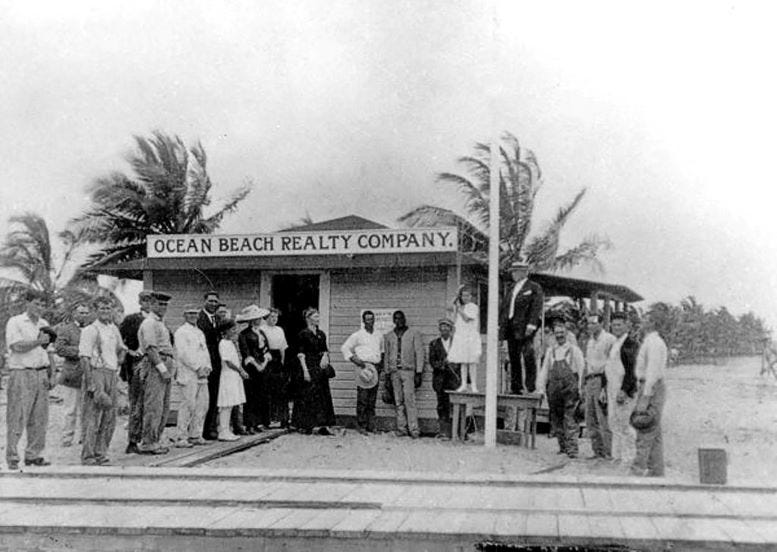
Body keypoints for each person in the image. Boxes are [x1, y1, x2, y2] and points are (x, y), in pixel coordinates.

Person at [5, 289, 55, 469]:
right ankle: (12, 456)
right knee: (17, 416)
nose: (39, 307)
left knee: (40, 418)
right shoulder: (16, 322)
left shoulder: (44, 323)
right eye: (36, 303)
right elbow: (17, 346)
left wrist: (52, 373)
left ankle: (33, 455)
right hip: (21, 373)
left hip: (41, 372)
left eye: (43, 304)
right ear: (28, 303)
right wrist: (37, 341)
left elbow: (48, 351)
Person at [79, 297, 127, 465]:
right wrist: (91, 382)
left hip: (112, 373)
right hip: (96, 372)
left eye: (108, 308)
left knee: (110, 417)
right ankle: (88, 455)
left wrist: (119, 359)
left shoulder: (113, 328)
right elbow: (84, 358)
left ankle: (101, 452)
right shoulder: (90, 330)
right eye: (102, 309)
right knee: (93, 417)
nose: (105, 312)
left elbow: (122, 349)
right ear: (95, 311)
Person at [536, 317, 585, 458]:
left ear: (567, 333)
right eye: (557, 333)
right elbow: (545, 370)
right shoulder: (551, 351)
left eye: (562, 332)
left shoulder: (574, 350)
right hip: (554, 389)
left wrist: (581, 388)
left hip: (570, 389)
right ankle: (562, 447)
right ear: (554, 334)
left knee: (570, 419)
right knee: (556, 419)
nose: (559, 335)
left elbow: (582, 370)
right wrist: (540, 388)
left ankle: (572, 450)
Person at [631, 310, 668, 477]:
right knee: (655, 431)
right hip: (651, 386)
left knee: (644, 428)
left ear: (652, 322)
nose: (642, 320)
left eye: (645, 318)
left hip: (650, 387)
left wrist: (645, 396)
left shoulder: (654, 343)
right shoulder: (651, 341)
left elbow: (652, 370)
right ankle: (656, 470)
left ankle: (637, 470)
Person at [137, 291, 175, 454]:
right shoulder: (149, 323)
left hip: (166, 361)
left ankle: (156, 440)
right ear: (151, 305)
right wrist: (162, 369)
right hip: (156, 365)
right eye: (160, 304)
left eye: (165, 304)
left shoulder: (161, 323)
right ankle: (148, 442)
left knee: (163, 406)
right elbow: (151, 349)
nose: (163, 307)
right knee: (154, 406)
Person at [500, 258, 544, 394]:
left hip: (525, 327)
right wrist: (501, 325)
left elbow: (536, 307)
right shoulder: (511, 288)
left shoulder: (533, 287)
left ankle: (530, 386)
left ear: (523, 272)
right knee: (514, 357)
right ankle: (516, 386)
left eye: (515, 271)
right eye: (512, 272)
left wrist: (532, 324)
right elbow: (505, 308)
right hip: (511, 327)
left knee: (528, 355)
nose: (513, 274)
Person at [291, 307, 336, 435]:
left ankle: (324, 425)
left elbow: (325, 349)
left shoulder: (321, 333)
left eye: (318, 316)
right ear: (308, 318)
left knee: (323, 395)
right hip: (308, 366)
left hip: (320, 367)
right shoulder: (303, 334)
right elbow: (301, 354)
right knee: (308, 395)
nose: (318, 319)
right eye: (315, 317)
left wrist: (325, 358)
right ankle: (306, 425)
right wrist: (305, 371)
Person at [173, 304, 212, 447]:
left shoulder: (199, 332)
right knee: (188, 404)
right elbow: (183, 354)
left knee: (202, 404)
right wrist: (197, 367)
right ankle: (181, 437)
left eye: (195, 313)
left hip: (202, 374)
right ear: (184, 315)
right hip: (188, 373)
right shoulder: (181, 332)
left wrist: (207, 367)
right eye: (189, 313)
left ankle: (195, 434)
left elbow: (205, 351)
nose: (192, 316)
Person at [382, 310, 425, 438]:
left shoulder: (413, 334)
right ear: (393, 321)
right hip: (394, 372)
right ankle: (402, 428)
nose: (398, 321)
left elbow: (419, 353)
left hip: (408, 371)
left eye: (400, 318)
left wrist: (419, 372)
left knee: (409, 400)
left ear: (404, 319)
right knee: (398, 401)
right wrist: (387, 373)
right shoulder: (389, 336)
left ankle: (414, 429)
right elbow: (387, 355)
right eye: (396, 318)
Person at [119, 290, 152, 453]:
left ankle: (149, 440)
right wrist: (130, 352)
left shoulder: (158, 321)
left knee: (151, 404)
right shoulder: (131, 319)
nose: (148, 303)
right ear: (140, 302)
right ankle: (132, 441)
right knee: (136, 404)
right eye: (145, 300)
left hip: (154, 365)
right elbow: (119, 340)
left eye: (151, 300)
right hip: (136, 365)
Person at [54, 302, 91, 447]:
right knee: (70, 409)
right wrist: (81, 351)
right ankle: (67, 438)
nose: (84, 315)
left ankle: (85, 436)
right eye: (81, 312)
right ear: (74, 313)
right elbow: (60, 348)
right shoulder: (66, 329)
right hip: (72, 373)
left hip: (88, 374)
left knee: (86, 409)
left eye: (86, 313)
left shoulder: (91, 329)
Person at [604, 312, 639, 464]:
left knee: (625, 424)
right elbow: (610, 367)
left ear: (626, 325)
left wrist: (624, 390)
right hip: (612, 388)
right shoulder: (615, 344)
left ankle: (629, 457)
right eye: (614, 325)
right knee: (613, 423)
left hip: (624, 390)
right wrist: (605, 389)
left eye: (619, 325)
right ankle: (617, 456)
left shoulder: (630, 344)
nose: (616, 327)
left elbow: (633, 370)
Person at [341, 310, 383, 435]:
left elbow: (382, 350)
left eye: (372, 319)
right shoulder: (358, 335)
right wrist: (355, 360)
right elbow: (345, 348)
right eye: (367, 319)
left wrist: (380, 365)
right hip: (363, 367)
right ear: (363, 321)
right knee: (363, 398)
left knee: (372, 399)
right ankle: (362, 425)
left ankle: (371, 425)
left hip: (375, 367)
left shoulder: (379, 335)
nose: (370, 321)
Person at [583, 313, 616, 459]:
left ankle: (609, 453)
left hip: (602, 380)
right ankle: (598, 451)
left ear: (601, 324)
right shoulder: (590, 341)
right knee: (590, 419)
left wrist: (604, 386)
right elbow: (587, 363)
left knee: (603, 418)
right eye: (589, 323)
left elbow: (612, 364)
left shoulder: (609, 339)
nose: (590, 326)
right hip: (589, 380)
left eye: (594, 323)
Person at [237, 305, 272, 433]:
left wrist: (265, 362)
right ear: (251, 320)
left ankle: (258, 422)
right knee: (250, 396)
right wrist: (256, 365)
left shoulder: (261, 332)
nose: (259, 320)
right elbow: (245, 352)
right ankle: (249, 424)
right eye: (256, 318)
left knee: (260, 395)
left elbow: (266, 348)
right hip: (251, 368)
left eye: (259, 318)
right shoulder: (244, 334)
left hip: (263, 366)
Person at [217, 319, 249, 441]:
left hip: (234, 375)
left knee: (231, 403)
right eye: (232, 329)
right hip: (228, 374)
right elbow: (228, 362)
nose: (235, 331)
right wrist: (240, 370)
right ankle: (223, 430)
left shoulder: (231, 343)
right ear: (226, 331)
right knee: (226, 404)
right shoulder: (223, 343)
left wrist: (241, 370)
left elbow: (236, 360)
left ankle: (227, 430)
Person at [429, 318, 460, 439]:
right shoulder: (434, 344)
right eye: (442, 327)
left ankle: (457, 431)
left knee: (455, 405)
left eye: (447, 327)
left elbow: (461, 360)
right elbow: (432, 362)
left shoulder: (457, 343)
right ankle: (444, 432)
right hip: (440, 380)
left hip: (453, 380)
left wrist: (453, 364)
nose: (444, 330)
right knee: (442, 405)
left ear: (451, 329)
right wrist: (443, 363)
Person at [197, 290, 222, 440]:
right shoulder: (199, 319)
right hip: (204, 363)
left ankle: (210, 428)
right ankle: (200, 430)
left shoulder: (218, 319)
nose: (213, 304)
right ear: (204, 302)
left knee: (214, 396)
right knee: (202, 398)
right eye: (210, 301)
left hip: (217, 363)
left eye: (215, 301)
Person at [260, 308, 290, 427]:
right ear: (266, 318)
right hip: (267, 358)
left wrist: (282, 361)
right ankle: (267, 420)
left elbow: (283, 347)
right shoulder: (262, 329)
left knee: (281, 389)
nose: (274, 319)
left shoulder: (279, 330)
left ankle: (283, 419)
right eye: (272, 317)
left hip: (278, 359)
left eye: (276, 317)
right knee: (267, 389)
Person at [449, 286, 481, 392]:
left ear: (471, 296)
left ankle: (474, 385)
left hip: (471, 336)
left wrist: (459, 310)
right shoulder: (459, 307)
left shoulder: (473, 307)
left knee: (472, 361)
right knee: (463, 361)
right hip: (461, 335)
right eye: (463, 295)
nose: (465, 298)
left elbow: (467, 319)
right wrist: (456, 299)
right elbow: (452, 315)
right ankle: (463, 384)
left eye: (468, 295)